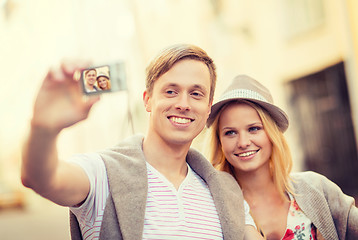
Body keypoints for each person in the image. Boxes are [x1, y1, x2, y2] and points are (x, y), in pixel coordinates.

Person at [21, 44, 262, 240]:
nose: (184, 104)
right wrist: (43, 129)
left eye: (196, 93)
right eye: (170, 91)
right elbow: (43, 178)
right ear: (147, 100)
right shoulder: (103, 174)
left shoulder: (225, 191)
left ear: (208, 108)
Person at [207, 75, 358, 240]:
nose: (243, 142)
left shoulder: (317, 189)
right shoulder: (213, 210)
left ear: (272, 134)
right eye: (230, 132)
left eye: (254, 129)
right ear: (219, 142)